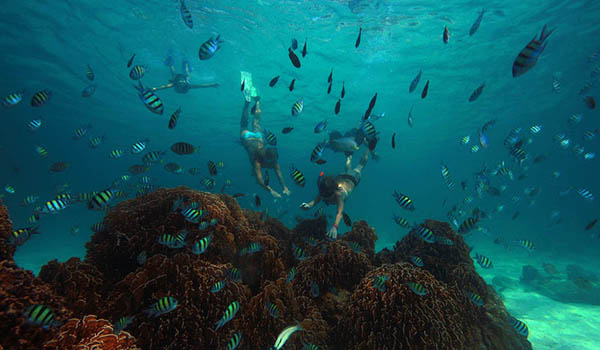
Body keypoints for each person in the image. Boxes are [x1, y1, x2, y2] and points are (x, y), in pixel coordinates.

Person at [300, 148, 371, 239]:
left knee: (360, 166)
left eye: (327, 196)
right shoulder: (324, 191)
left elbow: (339, 212)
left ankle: (368, 147)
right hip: (341, 177)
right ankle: (349, 157)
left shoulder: (338, 195)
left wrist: (335, 226)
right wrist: (308, 205)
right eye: (323, 195)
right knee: (347, 170)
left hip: (353, 178)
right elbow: (315, 200)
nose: (325, 198)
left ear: (333, 192)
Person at [240, 96, 290, 198]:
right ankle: (251, 103)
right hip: (248, 139)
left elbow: (277, 175)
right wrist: (271, 191)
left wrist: (285, 187)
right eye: (272, 160)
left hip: (255, 139)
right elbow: (259, 180)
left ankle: (252, 102)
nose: (273, 162)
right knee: (246, 125)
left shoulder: (271, 160)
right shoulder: (257, 162)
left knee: (253, 123)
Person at [151, 57, 218, 93]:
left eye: (181, 82)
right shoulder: (187, 86)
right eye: (181, 83)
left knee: (174, 74)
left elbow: (164, 87)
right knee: (187, 76)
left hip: (177, 79)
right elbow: (200, 86)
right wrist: (212, 85)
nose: (181, 83)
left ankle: (171, 64)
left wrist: (156, 88)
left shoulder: (176, 84)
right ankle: (185, 64)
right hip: (181, 80)